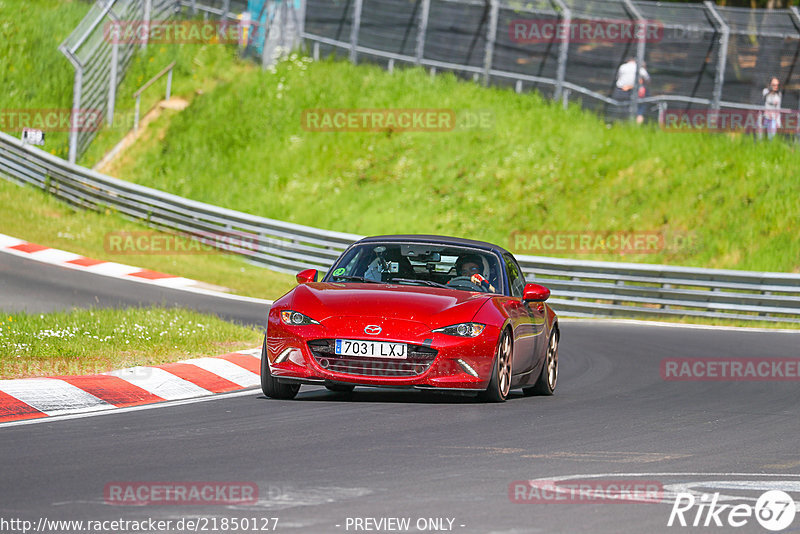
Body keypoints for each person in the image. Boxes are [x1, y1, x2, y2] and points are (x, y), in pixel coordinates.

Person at [613, 58, 650, 123]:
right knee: (637, 111)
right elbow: (647, 79)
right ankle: (632, 125)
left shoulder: (623, 67)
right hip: (632, 91)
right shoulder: (640, 68)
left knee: (621, 109)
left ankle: (622, 123)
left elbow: (618, 77)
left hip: (620, 90)